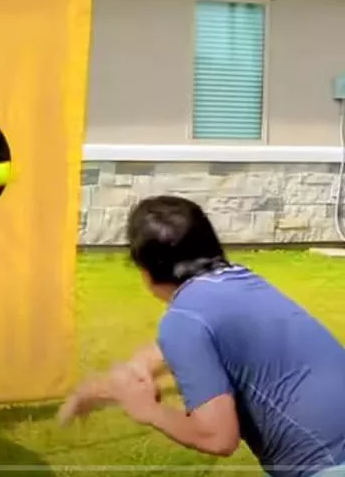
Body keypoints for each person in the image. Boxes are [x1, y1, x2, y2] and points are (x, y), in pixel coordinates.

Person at [58, 195, 345, 477]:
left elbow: (218, 437)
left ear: (145, 271)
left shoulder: (183, 320)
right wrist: (108, 385)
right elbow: (170, 349)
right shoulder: (240, 280)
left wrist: (147, 410)